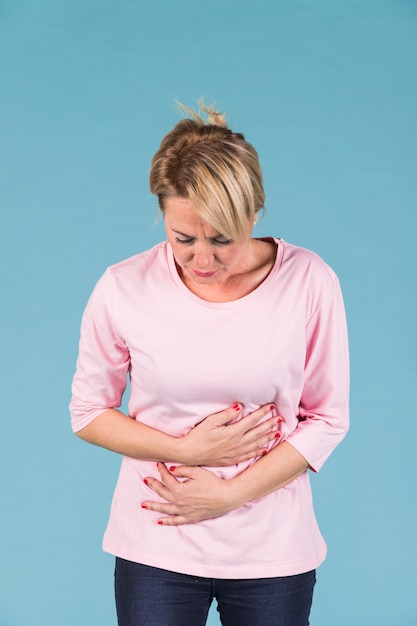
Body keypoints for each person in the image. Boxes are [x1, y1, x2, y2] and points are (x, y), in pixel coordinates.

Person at [70, 101, 349, 626]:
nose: (202, 260)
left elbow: (328, 419)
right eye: (183, 239)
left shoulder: (310, 281)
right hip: (156, 543)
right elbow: (87, 412)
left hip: (272, 549)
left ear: (255, 212)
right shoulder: (123, 287)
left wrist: (230, 495)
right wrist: (184, 448)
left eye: (221, 239)